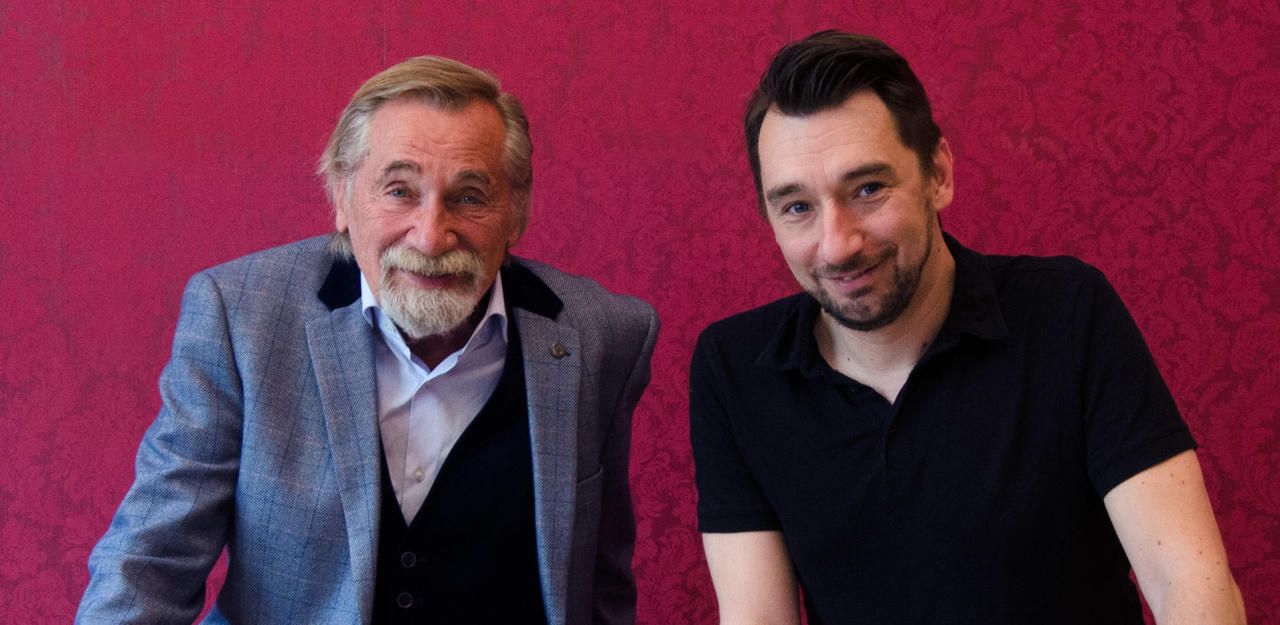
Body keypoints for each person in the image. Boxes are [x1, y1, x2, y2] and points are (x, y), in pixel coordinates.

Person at [78, 56, 658, 625]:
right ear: (342, 197)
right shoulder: (243, 317)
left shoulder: (602, 337)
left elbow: (601, 588)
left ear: (516, 214)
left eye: (469, 197)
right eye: (400, 191)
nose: (431, 237)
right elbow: (151, 558)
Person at [690, 30, 1245, 625]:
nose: (837, 244)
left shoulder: (1068, 312)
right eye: (797, 207)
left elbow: (1187, 579)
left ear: (938, 174)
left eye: (868, 189)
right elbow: (756, 616)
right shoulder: (733, 368)